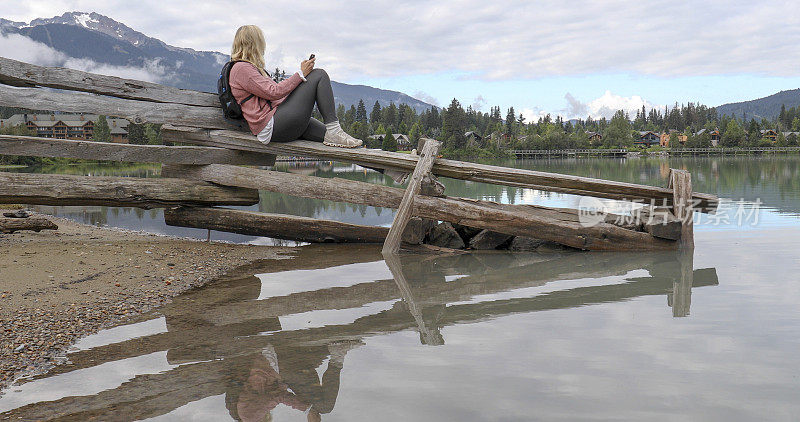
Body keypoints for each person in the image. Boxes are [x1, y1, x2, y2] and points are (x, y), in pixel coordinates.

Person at [228, 25, 362, 148]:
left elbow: (277, 93)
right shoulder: (241, 68)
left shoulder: (251, 68)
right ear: (255, 43)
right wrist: (301, 74)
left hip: (279, 121)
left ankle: (379, 166)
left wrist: (300, 83)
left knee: (348, 143)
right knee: (319, 75)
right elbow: (274, 92)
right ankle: (334, 129)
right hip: (271, 126)